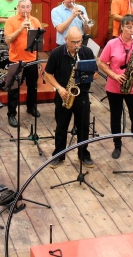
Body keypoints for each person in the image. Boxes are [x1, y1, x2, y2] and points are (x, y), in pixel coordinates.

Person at [97, 15, 133, 161]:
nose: (131, 30)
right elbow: (101, 63)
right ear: (121, 27)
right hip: (114, 85)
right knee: (116, 117)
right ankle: (117, 146)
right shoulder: (112, 43)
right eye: (128, 27)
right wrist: (114, 75)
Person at [45, 27, 98, 168]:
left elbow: (96, 74)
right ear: (66, 40)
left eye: (79, 41)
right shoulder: (56, 53)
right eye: (73, 42)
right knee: (61, 127)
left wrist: (89, 75)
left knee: (83, 127)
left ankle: (83, 154)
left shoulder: (86, 52)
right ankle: (58, 155)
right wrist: (60, 88)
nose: (76, 45)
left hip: (82, 95)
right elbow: (48, 74)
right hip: (64, 94)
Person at [4, 0, 42, 127]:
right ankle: (11, 114)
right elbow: (8, 40)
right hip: (16, 59)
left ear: (31, 8)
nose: (25, 9)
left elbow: (39, 41)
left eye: (27, 7)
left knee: (33, 86)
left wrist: (33, 32)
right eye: (22, 7)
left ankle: (31, 107)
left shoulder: (35, 21)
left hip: (31, 59)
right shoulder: (11, 21)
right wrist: (20, 28)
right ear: (18, 8)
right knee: (13, 89)